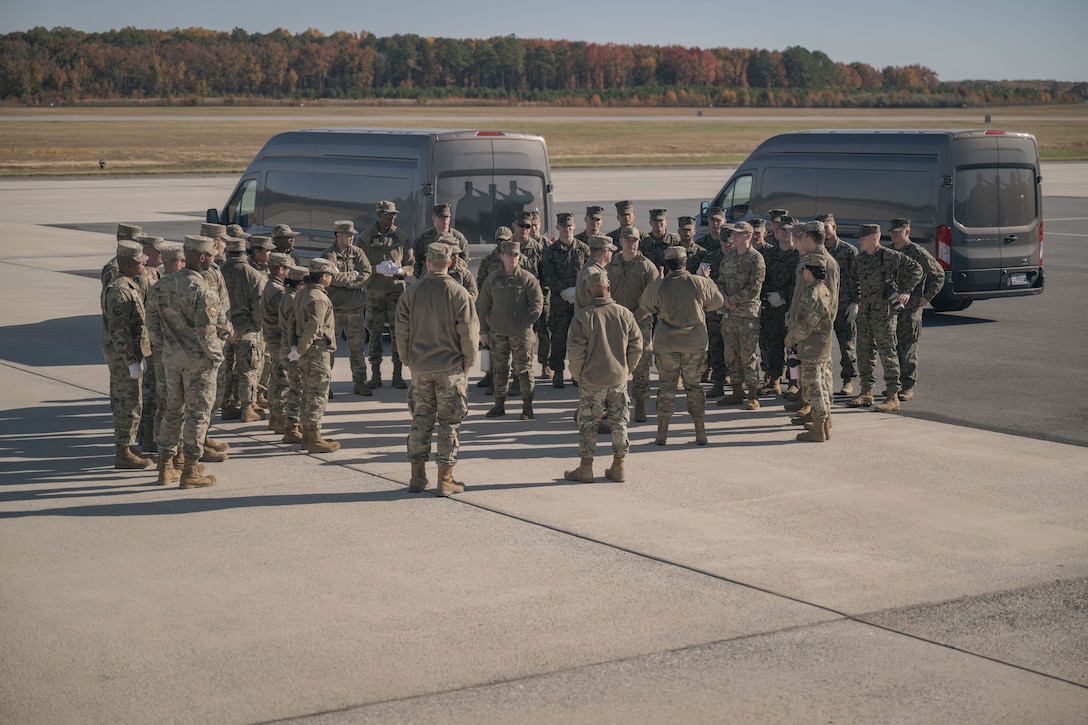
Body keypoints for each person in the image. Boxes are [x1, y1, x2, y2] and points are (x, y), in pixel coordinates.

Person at [396, 242, 480, 496]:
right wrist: (469, 361)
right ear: (451, 262)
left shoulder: (411, 293)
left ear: (428, 262)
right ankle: (446, 479)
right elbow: (468, 332)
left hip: (420, 368)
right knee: (449, 424)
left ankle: (417, 477)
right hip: (450, 368)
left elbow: (401, 330)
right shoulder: (459, 293)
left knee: (420, 421)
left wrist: (407, 359)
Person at [146, 235, 223, 489]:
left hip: (171, 359)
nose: (213, 259)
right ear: (201, 257)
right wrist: (216, 357)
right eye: (211, 255)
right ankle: (190, 469)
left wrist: (165, 347)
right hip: (197, 363)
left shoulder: (162, 285)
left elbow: (152, 325)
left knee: (172, 410)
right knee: (197, 415)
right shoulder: (203, 291)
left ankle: (166, 466)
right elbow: (207, 333)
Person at [640, 246, 724, 445]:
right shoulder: (699, 282)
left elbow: (646, 305)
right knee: (694, 387)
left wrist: (658, 283)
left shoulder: (659, 285)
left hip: (666, 344)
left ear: (667, 264)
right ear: (685, 262)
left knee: (666, 387)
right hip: (695, 344)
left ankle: (661, 434)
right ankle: (700, 433)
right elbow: (718, 302)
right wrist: (707, 280)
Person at [565, 270, 643, 483]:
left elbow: (575, 352)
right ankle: (619, 467)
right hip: (618, 379)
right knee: (619, 423)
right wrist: (627, 370)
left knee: (589, 424)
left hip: (592, 379)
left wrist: (578, 375)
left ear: (589, 290)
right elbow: (637, 344)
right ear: (608, 287)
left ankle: (586, 468)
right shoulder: (624, 313)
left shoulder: (583, 317)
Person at [846, 223, 924, 412]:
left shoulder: (889, 256)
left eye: (863, 238)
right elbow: (852, 278)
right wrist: (858, 298)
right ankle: (866, 391)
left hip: (885, 314)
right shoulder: (860, 258)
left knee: (888, 354)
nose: (859, 241)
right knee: (864, 352)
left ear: (874, 238)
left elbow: (917, 270)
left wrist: (906, 291)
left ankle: (892, 395)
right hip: (866, 313)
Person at [101, 240, 154, 469]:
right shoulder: (119, 291)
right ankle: (123, 452)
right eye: (140, 262)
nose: (144, 265)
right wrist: (131, 361)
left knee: (133, 402)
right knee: (126, 403)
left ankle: (128, 447)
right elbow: (119, 332)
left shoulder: (129, 284)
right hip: (124, 358)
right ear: (129, 265)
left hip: (131, 354)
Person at [477, 240, 544, 420]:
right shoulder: (492, 280)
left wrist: (523, 323)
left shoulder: (527, 279)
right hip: (497, 333)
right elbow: (483, 305)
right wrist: (484, 331)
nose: (513, 258)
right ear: (502, 256)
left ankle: (527, 407)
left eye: (516, 255)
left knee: (523, 371)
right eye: (509, 255)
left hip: (521, 334)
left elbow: (537, 305)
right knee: (499, 370)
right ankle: (499, 405)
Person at [784, 222, 840, 421]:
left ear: (808, 237)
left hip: (815, 330)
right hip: (802, 323)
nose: (798, 240)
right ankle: (808, 405)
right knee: (805, 370)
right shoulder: (806, 260)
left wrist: (820, 329)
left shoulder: (826, 263)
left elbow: (829, 301)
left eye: (801, 237)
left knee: (819, 374)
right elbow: (800, 293)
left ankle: (818, 414)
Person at [606, 225, 659, 422]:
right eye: (627, 239)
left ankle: (641, 404)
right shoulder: (611, 264)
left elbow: (652, 298)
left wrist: (634, 318)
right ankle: (614, 404)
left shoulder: (647, 266)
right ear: (620, 241)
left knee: (642, 364)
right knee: (614, 364)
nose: (631, 243)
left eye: (635, 240)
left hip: (640, 323)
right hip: (615, 322)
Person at [888, 218, 945, 401]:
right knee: (892, 347)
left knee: (907, 348)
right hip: (891, 308)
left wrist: (927, 296)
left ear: (907, 232)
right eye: (892, 231)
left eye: (898, 231)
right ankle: (894, 385)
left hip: (910, 309)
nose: (894, 234)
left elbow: (938, 274)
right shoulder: (888, 251)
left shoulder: (917, 252)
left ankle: (907, 386)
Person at [361, 201, 414, 390]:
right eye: (388, 214)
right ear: (379, 214)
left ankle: (397, 375)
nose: (392, 217)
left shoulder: (402, 237)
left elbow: (411, 264)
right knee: (374, 334)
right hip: (374, 293)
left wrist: (400, 271)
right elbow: (360, 266)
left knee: (397, 334)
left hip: (396, 293)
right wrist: (375, 269)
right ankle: (375, 375)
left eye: (394, 215)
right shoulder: (365, 238)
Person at [716, 221, 766, 410]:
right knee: (730, 354)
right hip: (729, 314)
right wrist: (725, 299)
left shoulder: (756, 258)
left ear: (747, 236)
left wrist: (734, 299)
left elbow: (755, 287)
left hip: (747, 315)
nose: (733, 237)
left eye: (737, 234)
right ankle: (737, 392)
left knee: (748, 355)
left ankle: (753, 394)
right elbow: (720, 280)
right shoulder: (729, 256)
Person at [292, 258, 341, 453]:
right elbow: (314, 326)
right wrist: (303, 348)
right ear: (324, 276)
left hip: (306, 352)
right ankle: (313, 436)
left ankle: (309, 435)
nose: (331, 278)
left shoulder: (303, 293)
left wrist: (297, 348)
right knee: (317, 395)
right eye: (330, 274)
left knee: (308, 393)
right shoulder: (319, 298)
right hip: (317, 351)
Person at [321, 219, 373, 396]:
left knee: (357, 348)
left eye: (353, 235)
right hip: (335, 310)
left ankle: (359, 382)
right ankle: (324, 384)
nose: (352, 237)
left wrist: (347, 281)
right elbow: (331, 278)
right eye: (349, 235)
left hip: (356, 309)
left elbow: (366, 274)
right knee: (329, 348)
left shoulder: (357, 253)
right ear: (339, 235)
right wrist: (353, 277)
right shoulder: (329, 255)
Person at [220, 236, 267, 422]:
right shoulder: (253, 274)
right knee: (248, 370)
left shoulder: (219, 272)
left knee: (226, 370)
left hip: (224, 330)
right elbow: (258, 305)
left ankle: (227, 406)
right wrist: (258, 325)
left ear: (228, 252)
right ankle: (247, 408)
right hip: (247, 329)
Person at [541, 211, 590, 388]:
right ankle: (558, 372)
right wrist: (563, 290)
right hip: (559, 302)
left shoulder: (583, 249)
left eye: (570, 226)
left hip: (579, 301)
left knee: (579, 339)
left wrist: (578, 290)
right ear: (558, 227)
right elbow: (548, 274)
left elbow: (589, 271)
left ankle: (577, 374)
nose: (567, 229)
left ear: (574, 227)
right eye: (563, 226)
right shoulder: (550, 251)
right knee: (559, 337)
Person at [816, 213, 860, 396]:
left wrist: (856, 302)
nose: (824, 232)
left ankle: (848, 380)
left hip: (843, 306)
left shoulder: (848, 251)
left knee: (847, 346)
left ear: (834, 227)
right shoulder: (816, 252)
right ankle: (822, 381)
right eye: (821, 229)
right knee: (820, 347)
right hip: (821, 308)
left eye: (826, 228)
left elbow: (857, 278)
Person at [758, 213, 799, 396]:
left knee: (793, 348)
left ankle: (793, 382)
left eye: (789, 230)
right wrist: (768, 296)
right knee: (772, 345)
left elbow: (801, 283)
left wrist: (783, 296)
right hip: (771, 308)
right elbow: (761, 278)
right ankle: (774, 380)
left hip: (791, 308)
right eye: (782, 229)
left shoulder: (799, 255)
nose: (784, 233)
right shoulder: (768, 254)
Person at [695, 219, 733, 398]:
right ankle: (718, 382)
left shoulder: (740, 258)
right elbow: (700, 281)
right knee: (716, 347)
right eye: (724, 241)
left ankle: (739, 384)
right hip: (715, 311)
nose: (727, 244)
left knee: (737, 349)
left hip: (735, 309)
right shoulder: (711, 258)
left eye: (730, 241)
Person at [262, 252, 292, 435]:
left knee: (276, 377)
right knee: (284, 380)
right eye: (288, 269)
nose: (289, 273)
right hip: (279, 339)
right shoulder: (278, 291)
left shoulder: (270, 285)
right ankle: (281, 418)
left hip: (273, 338)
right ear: (281, 269)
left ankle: (275, 417)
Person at [278, 265, 308, 444]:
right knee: (297, 389)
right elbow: (293, 326)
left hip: (289, 347)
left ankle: (296, 425)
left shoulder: (290, 296)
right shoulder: (292, 299)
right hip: (292, 348)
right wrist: (296, 350)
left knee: (297, 388)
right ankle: (291, 427)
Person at [412, 203, 470, 279]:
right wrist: (423, 278)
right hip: (430, 280)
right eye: (441, 217)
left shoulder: (458, 238)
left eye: (447, 217)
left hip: (454, 279)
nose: (445, 220)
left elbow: (464, 261)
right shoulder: (423, 238)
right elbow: (416, 262)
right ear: (434, 218)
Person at [575, 235, 616, 312]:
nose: (612, 254)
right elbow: (598, 304)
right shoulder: (594, 274)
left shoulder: (589, 268)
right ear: (606, 253)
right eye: (611, 251)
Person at [100, 223, 143, 290]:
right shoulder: (114, 268)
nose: (137, 244)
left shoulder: (134, 262)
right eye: (133, 241)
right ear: (120, 239)